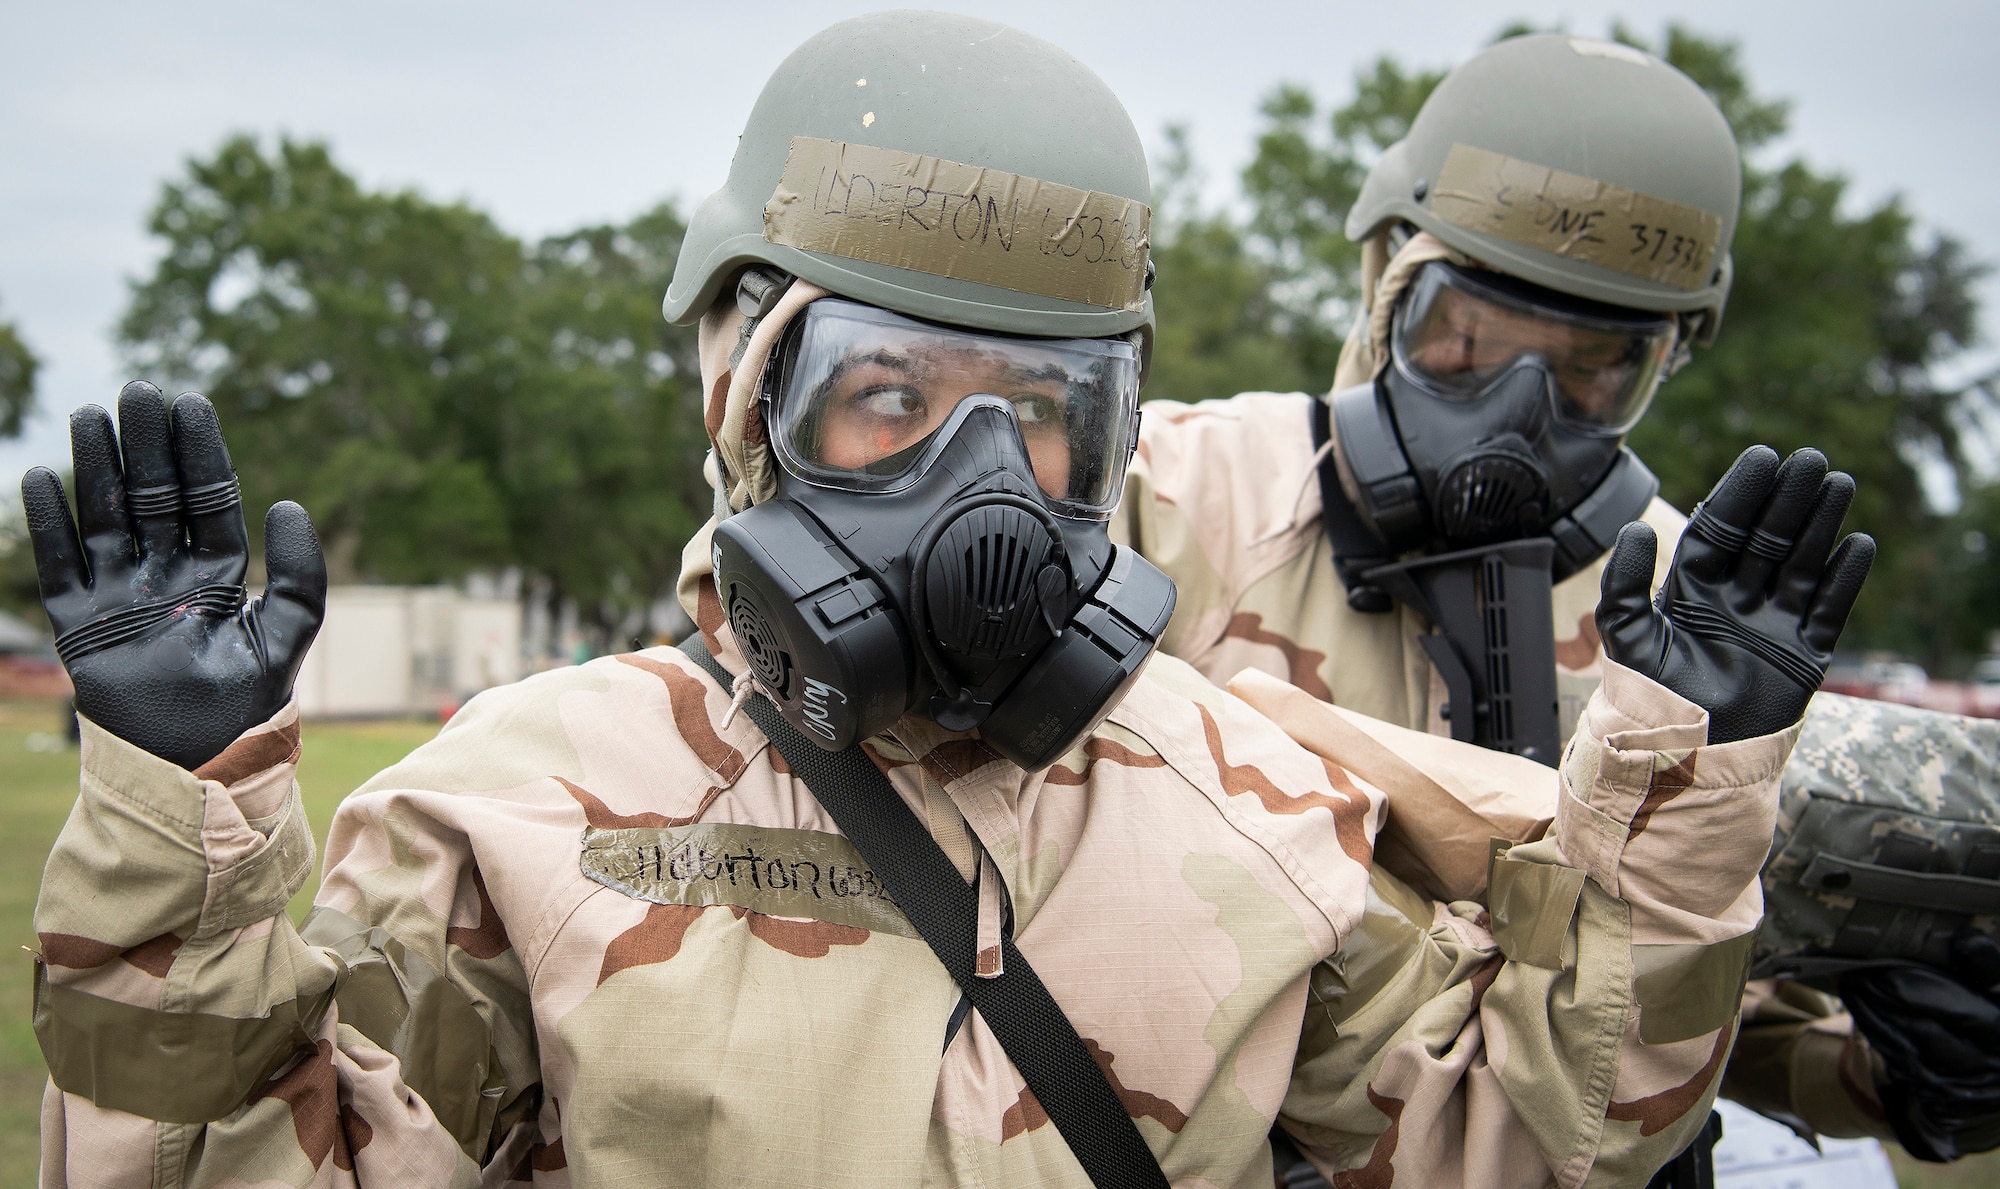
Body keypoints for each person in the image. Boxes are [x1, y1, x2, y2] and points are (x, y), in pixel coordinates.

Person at [25, 15, 1868, 1186]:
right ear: (749, 394)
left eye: (1041, 417)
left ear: (1119, 428)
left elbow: (1532, 1151)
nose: (977, 490)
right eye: (888, 398)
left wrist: (1676, 822)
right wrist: (189, 854)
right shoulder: (517, 802)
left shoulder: (1263, 807)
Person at [1111, 30, 1993, 1170]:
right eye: (1463, 337)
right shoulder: (1166, 500)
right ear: (1380, 281)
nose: (1518, 411)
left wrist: (1877, 1068)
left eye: (1587, 370)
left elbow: (1688, 987)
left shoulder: (1701, 614)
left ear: (1662, 364)